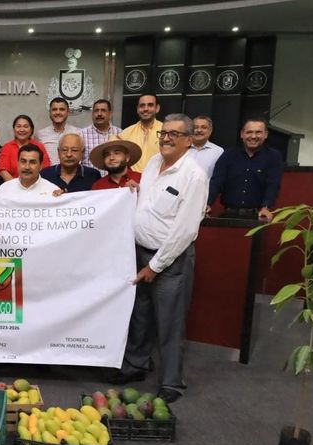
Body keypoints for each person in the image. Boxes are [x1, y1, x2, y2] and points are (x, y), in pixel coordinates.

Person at [110, 114, 208, 404]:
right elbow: (150, 204)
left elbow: (185, 230)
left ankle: (172, 382)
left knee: (170, 322)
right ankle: (137, 365)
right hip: (139, 253)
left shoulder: (194, 175)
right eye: (163, 133)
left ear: (189, 140)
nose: (166, 138)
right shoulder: (153, 164)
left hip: (169, 260)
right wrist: (135, 192)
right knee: (139, 316)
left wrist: (154, 266)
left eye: (174, 134)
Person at [207, 118, 283, 222]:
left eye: (258, 132)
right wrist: (207, 203)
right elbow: (216, 182)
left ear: (266, 134)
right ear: (242, 134)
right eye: (249, 132)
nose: (253, 136)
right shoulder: (228, 155)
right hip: (228, 216)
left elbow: (273, 185)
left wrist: (266, 207)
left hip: (258, 217)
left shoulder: (273, 157)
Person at [0, 114, 51, 181]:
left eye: (26, 126)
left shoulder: (39, 146)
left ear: (31, 129)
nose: (22, 129)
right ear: (14, 129)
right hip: (13, 188)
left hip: (36, 187)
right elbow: (3, 171)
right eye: (18, 126)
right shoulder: (7, 147)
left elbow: (45, 169)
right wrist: (15, 186)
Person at [118, 94, 163, 172]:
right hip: (132, 181)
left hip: (159, 180)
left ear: (157, 108)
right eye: (142, 105)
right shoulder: (126, 133)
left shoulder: (166, 131)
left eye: (150, 105)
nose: (145, 109)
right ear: (137, 109)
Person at [80, 99, 123, 172]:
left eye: (103, 110)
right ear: (92, 114)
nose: (99, 114)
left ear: (110, 114)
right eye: (96, 111)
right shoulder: (82, 134)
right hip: (91, 181)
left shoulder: (120, 133)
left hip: (114, 180)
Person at [35, 97, 80, 165]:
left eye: (62, 109)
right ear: (50, 112)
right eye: (54, 109)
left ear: (68, 112)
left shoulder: (78, 133)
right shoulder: (40, 135)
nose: (58, 112)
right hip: (47, 174)